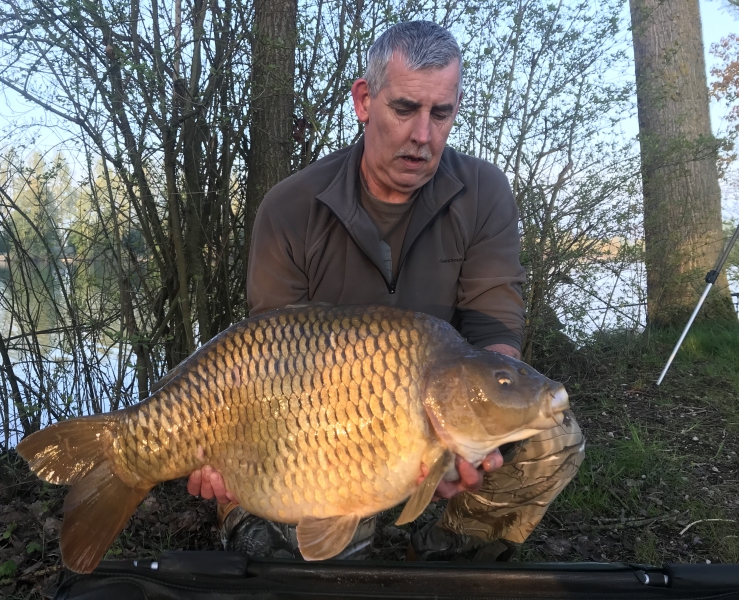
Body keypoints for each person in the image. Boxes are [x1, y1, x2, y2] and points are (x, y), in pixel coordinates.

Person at [187, 21, 584, 561]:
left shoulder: (485, 193)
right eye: (405, 109)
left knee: (549, 435)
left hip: (433, 410)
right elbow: (267, 363)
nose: (423, 135)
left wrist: (471, 443)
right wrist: (224, 450)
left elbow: (494, 329)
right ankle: (317, 527)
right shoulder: (290, 208)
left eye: (440, 114)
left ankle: (449, 547)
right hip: (312, 428)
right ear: (364, 100)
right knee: (306, 538)